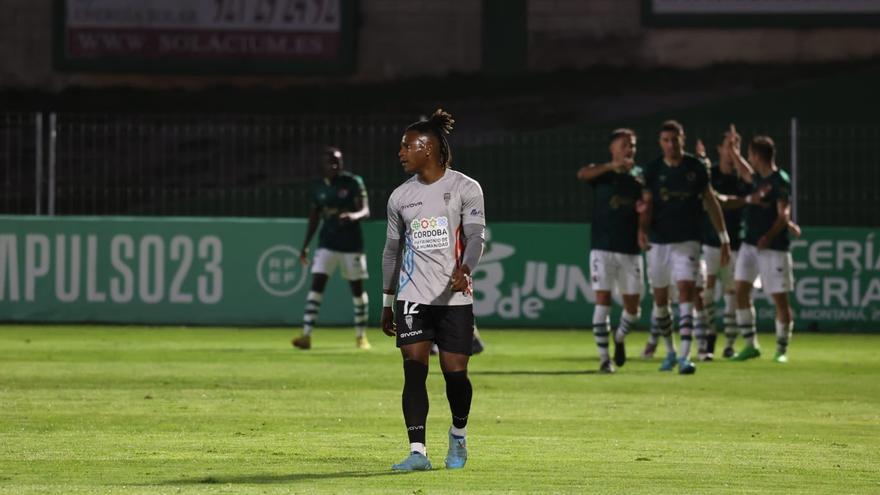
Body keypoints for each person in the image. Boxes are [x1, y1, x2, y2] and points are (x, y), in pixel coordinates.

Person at [381, 109, 486, 471]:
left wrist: (467, 268)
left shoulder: (465, 188)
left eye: (408, 146)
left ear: (428, 149)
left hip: (454, 298)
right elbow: (392, 250)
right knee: (414, 368)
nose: (401, 152)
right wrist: (386, 300)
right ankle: (417, 452)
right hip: (412, 296)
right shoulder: (399, 198)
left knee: (455, 374)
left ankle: (458, 434)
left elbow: (475, 237)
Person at [639, 120, 730, 374]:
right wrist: (641, 230)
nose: (671, 145)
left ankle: (685, 356)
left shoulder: (696, 168)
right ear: (660, 143)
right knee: (660, 300)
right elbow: (645, 205)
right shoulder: (653, 170)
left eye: (675, 139)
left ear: (683, 139)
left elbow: (711, 202)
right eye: (666, 140)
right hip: (659, 243)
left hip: (688, 240)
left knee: (686, 292)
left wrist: (724, 238)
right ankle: (669, 351)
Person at [576, 128, 645, 373]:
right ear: (613, 148)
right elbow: (582, 174)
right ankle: (605, 359)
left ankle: (620, 337)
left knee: (634, 309)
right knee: (602, 301)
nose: (630, 148)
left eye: (633, 145)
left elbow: (647, 204)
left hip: (630, 249)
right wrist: (611, 166)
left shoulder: (639, 176)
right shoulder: (602, 173)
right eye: (625, 144)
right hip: (602, 248)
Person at [726, 130, 797, 363]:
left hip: (773, 247)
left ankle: (781, 349)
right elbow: (744, 171)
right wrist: (734, 151)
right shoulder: (757, 179)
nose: (750, 159)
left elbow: (783, 213)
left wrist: (769, 235)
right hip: (749, 245)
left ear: (758, 155)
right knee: (740, 291)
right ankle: (750, 344)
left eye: (750, 154)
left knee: (779, 299)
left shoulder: (780, 181)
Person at [292, 147, 371, 350]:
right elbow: (314, 217)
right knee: (317, 284)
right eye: (331, 162)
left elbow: (365, 210)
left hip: (351, 244)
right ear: (323, 165)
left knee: (357, 290)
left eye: (338, 161)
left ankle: (361, 336)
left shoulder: (353, 182)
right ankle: (306, 335)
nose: (335, 165)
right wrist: (305, 246)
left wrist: (353, 216)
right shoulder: (318, 187)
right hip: (327, 243)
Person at [694, 135, 751, 360]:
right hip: (710, 241)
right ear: (719, 148)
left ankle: (729, 343)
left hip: (736, 242)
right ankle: (709, 334)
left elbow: (752, 180)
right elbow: (714, 198)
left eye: (737, 146)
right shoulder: (713, 174)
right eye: (729, 145)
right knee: (707, 290)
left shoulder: (740, 176)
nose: (732, 150)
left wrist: (738, 156)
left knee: (732, 293)